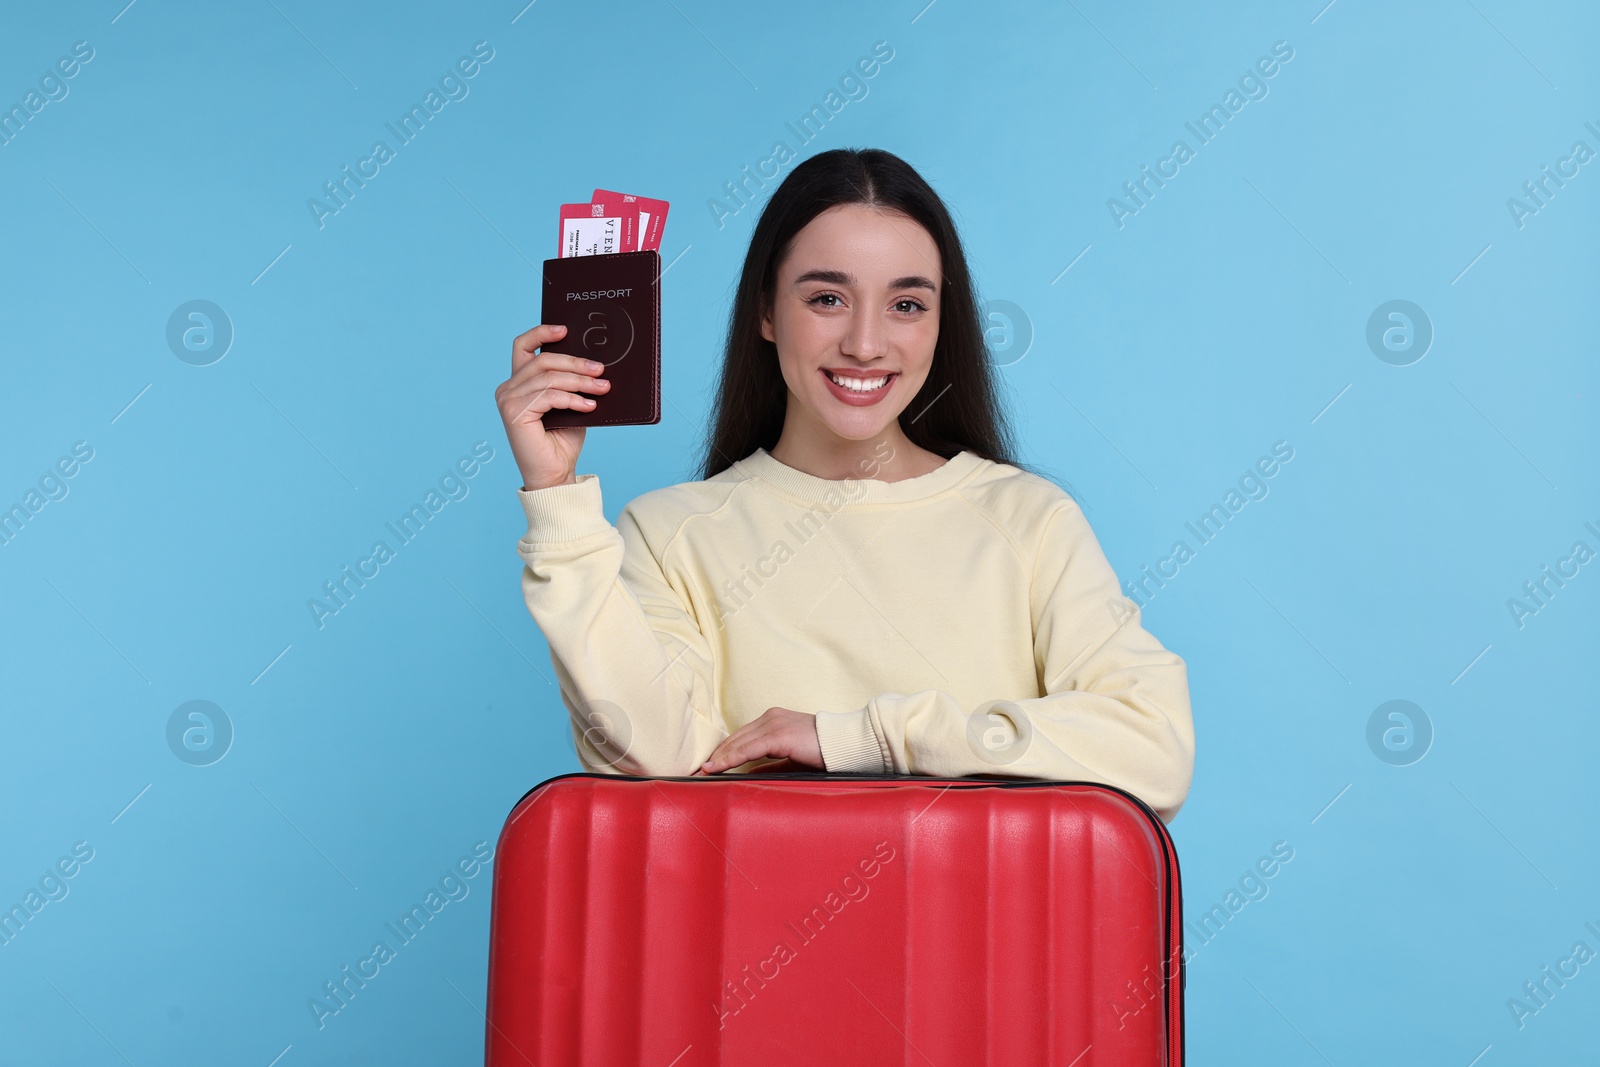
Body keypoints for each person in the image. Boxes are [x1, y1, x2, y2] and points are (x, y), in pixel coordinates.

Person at [494, 148, 1196, 822]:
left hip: (984, 941)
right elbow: (652, 755)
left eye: (907, 305)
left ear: (940, 321)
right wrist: (558, 498)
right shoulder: (669, 531)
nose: (865, 343)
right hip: (756, 938)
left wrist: (859, 737)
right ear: (767, 312)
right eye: (828, 298)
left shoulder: (1029, 519)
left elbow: (1154, 746)